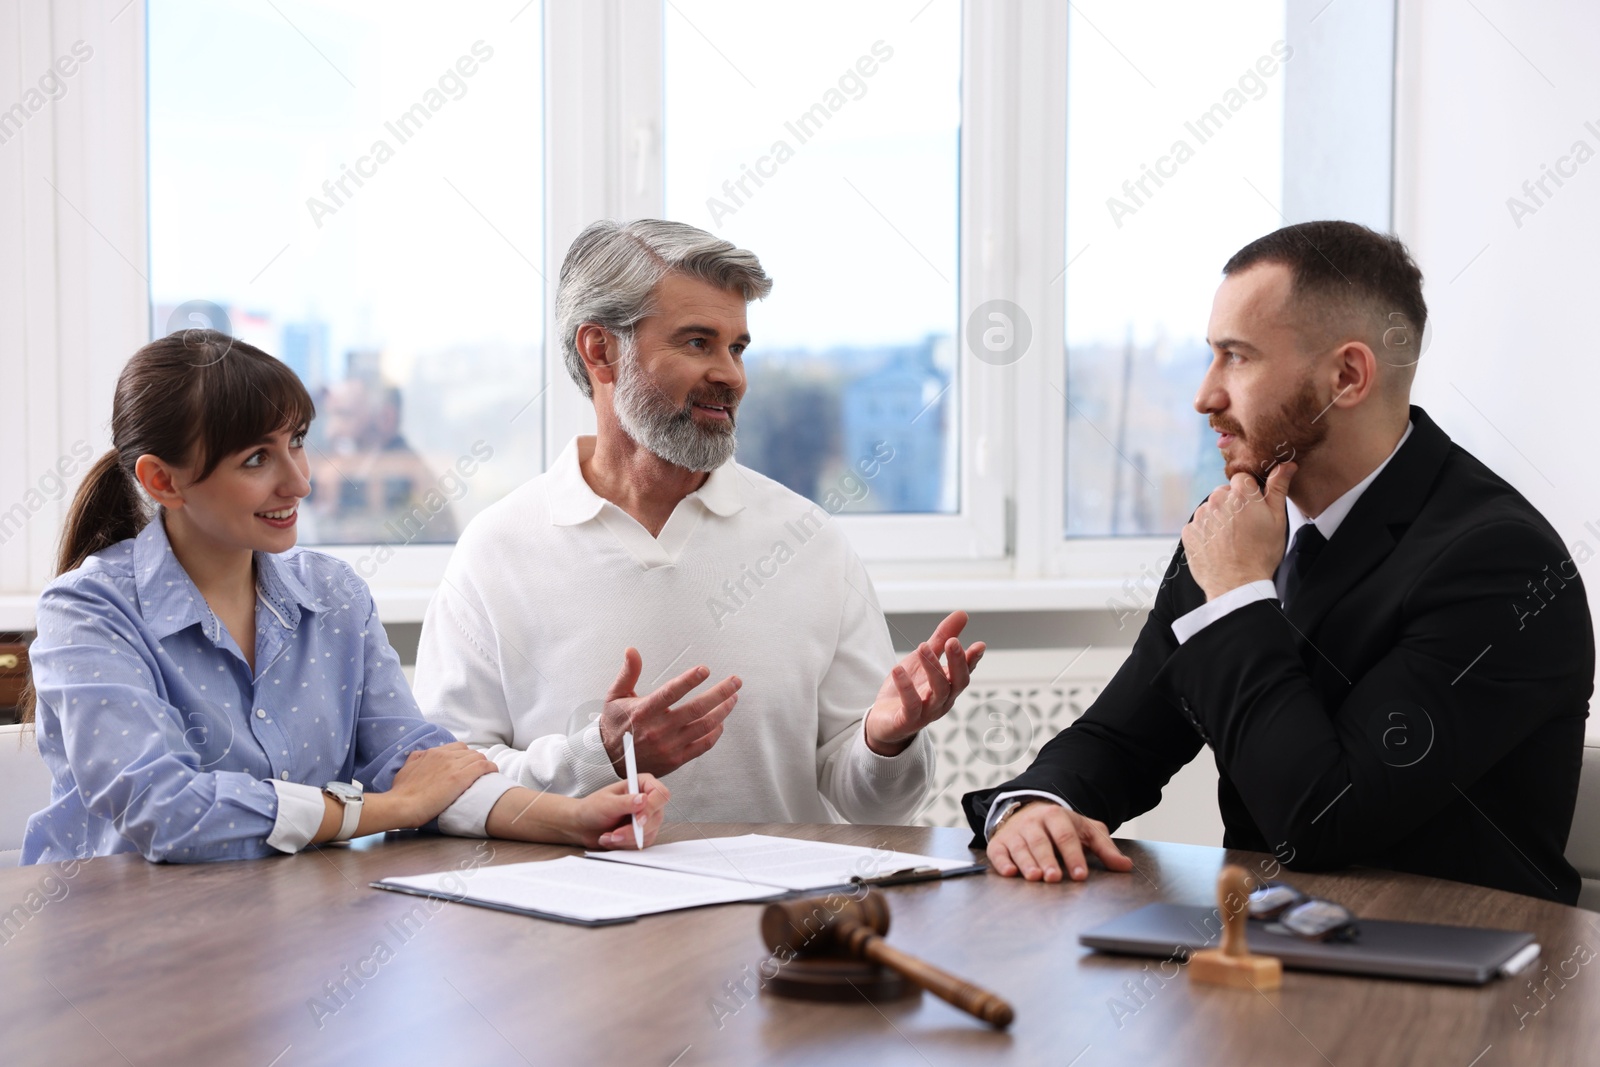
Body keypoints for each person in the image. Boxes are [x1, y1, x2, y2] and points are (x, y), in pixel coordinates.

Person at [967, 221, 1593, 904]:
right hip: (1272, 956)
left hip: (1451, 974)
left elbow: (1324, 820)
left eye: (1237, 357)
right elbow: (1120, 738)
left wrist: (1239, 592)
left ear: (1347, 375)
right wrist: (1036, 805)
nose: (1205, 395)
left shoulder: (1500, 564)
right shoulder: (1237, 529)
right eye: (1211, 356)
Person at [20, 330, 666, 865]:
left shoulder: (332, 594)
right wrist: (384, 811)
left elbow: (413, 761)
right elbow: (164, 809)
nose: (299, 480)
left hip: (292, 935)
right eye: (255, 459)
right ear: (163, 480)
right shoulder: (88, 612)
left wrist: (572, 819)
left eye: (297, 441)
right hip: (118, 954)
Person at [413, 219, 984, 823]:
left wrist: (885, 739)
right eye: (697, 343)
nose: (731, 375)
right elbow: (443, 783)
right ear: (600, 350)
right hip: (574, 915)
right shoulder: (497, 549)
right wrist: (597, 757)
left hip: (770, 914)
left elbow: (878, 806)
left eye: (737, 348)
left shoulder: (809, 540)